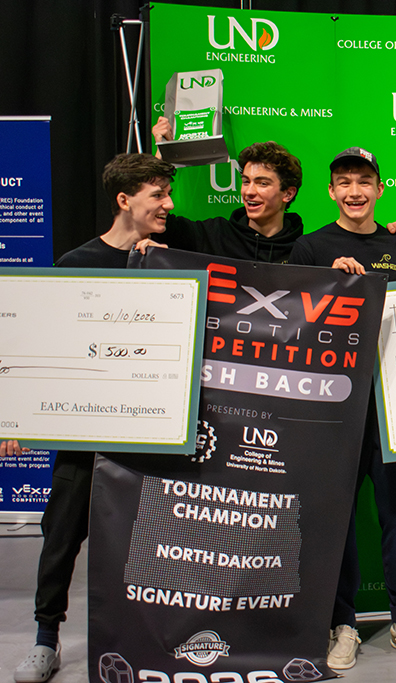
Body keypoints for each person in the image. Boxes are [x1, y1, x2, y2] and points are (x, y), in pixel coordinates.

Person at [2, 153, 177, 683]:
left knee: (146, 543)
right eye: (157, 197)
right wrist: (13, 418)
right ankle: (45, 639)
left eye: (168, 195)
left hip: (149, 432)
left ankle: (144, 642)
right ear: (124, 201)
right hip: (83, 434)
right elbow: (42, 344)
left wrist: (163, 266)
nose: (168, 205)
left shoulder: (169, 259)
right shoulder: (76, 261)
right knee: (60, 537)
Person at [288, 147, 396, 669]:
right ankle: (343, 624)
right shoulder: (309, 247)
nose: (355, 190)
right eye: (344, 182)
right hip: (333, 407)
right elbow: (292, 324)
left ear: (380, 188)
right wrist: (331, 282)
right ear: (331, 191)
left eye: (364, 181)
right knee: (338, 516)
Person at [152, 117, 305, 261]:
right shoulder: (213, 236)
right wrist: (160, 156)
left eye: (262, 183)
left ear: (288, 193)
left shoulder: (305, 249)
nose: (249, 192)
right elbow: (152, 222)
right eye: (246, 181)